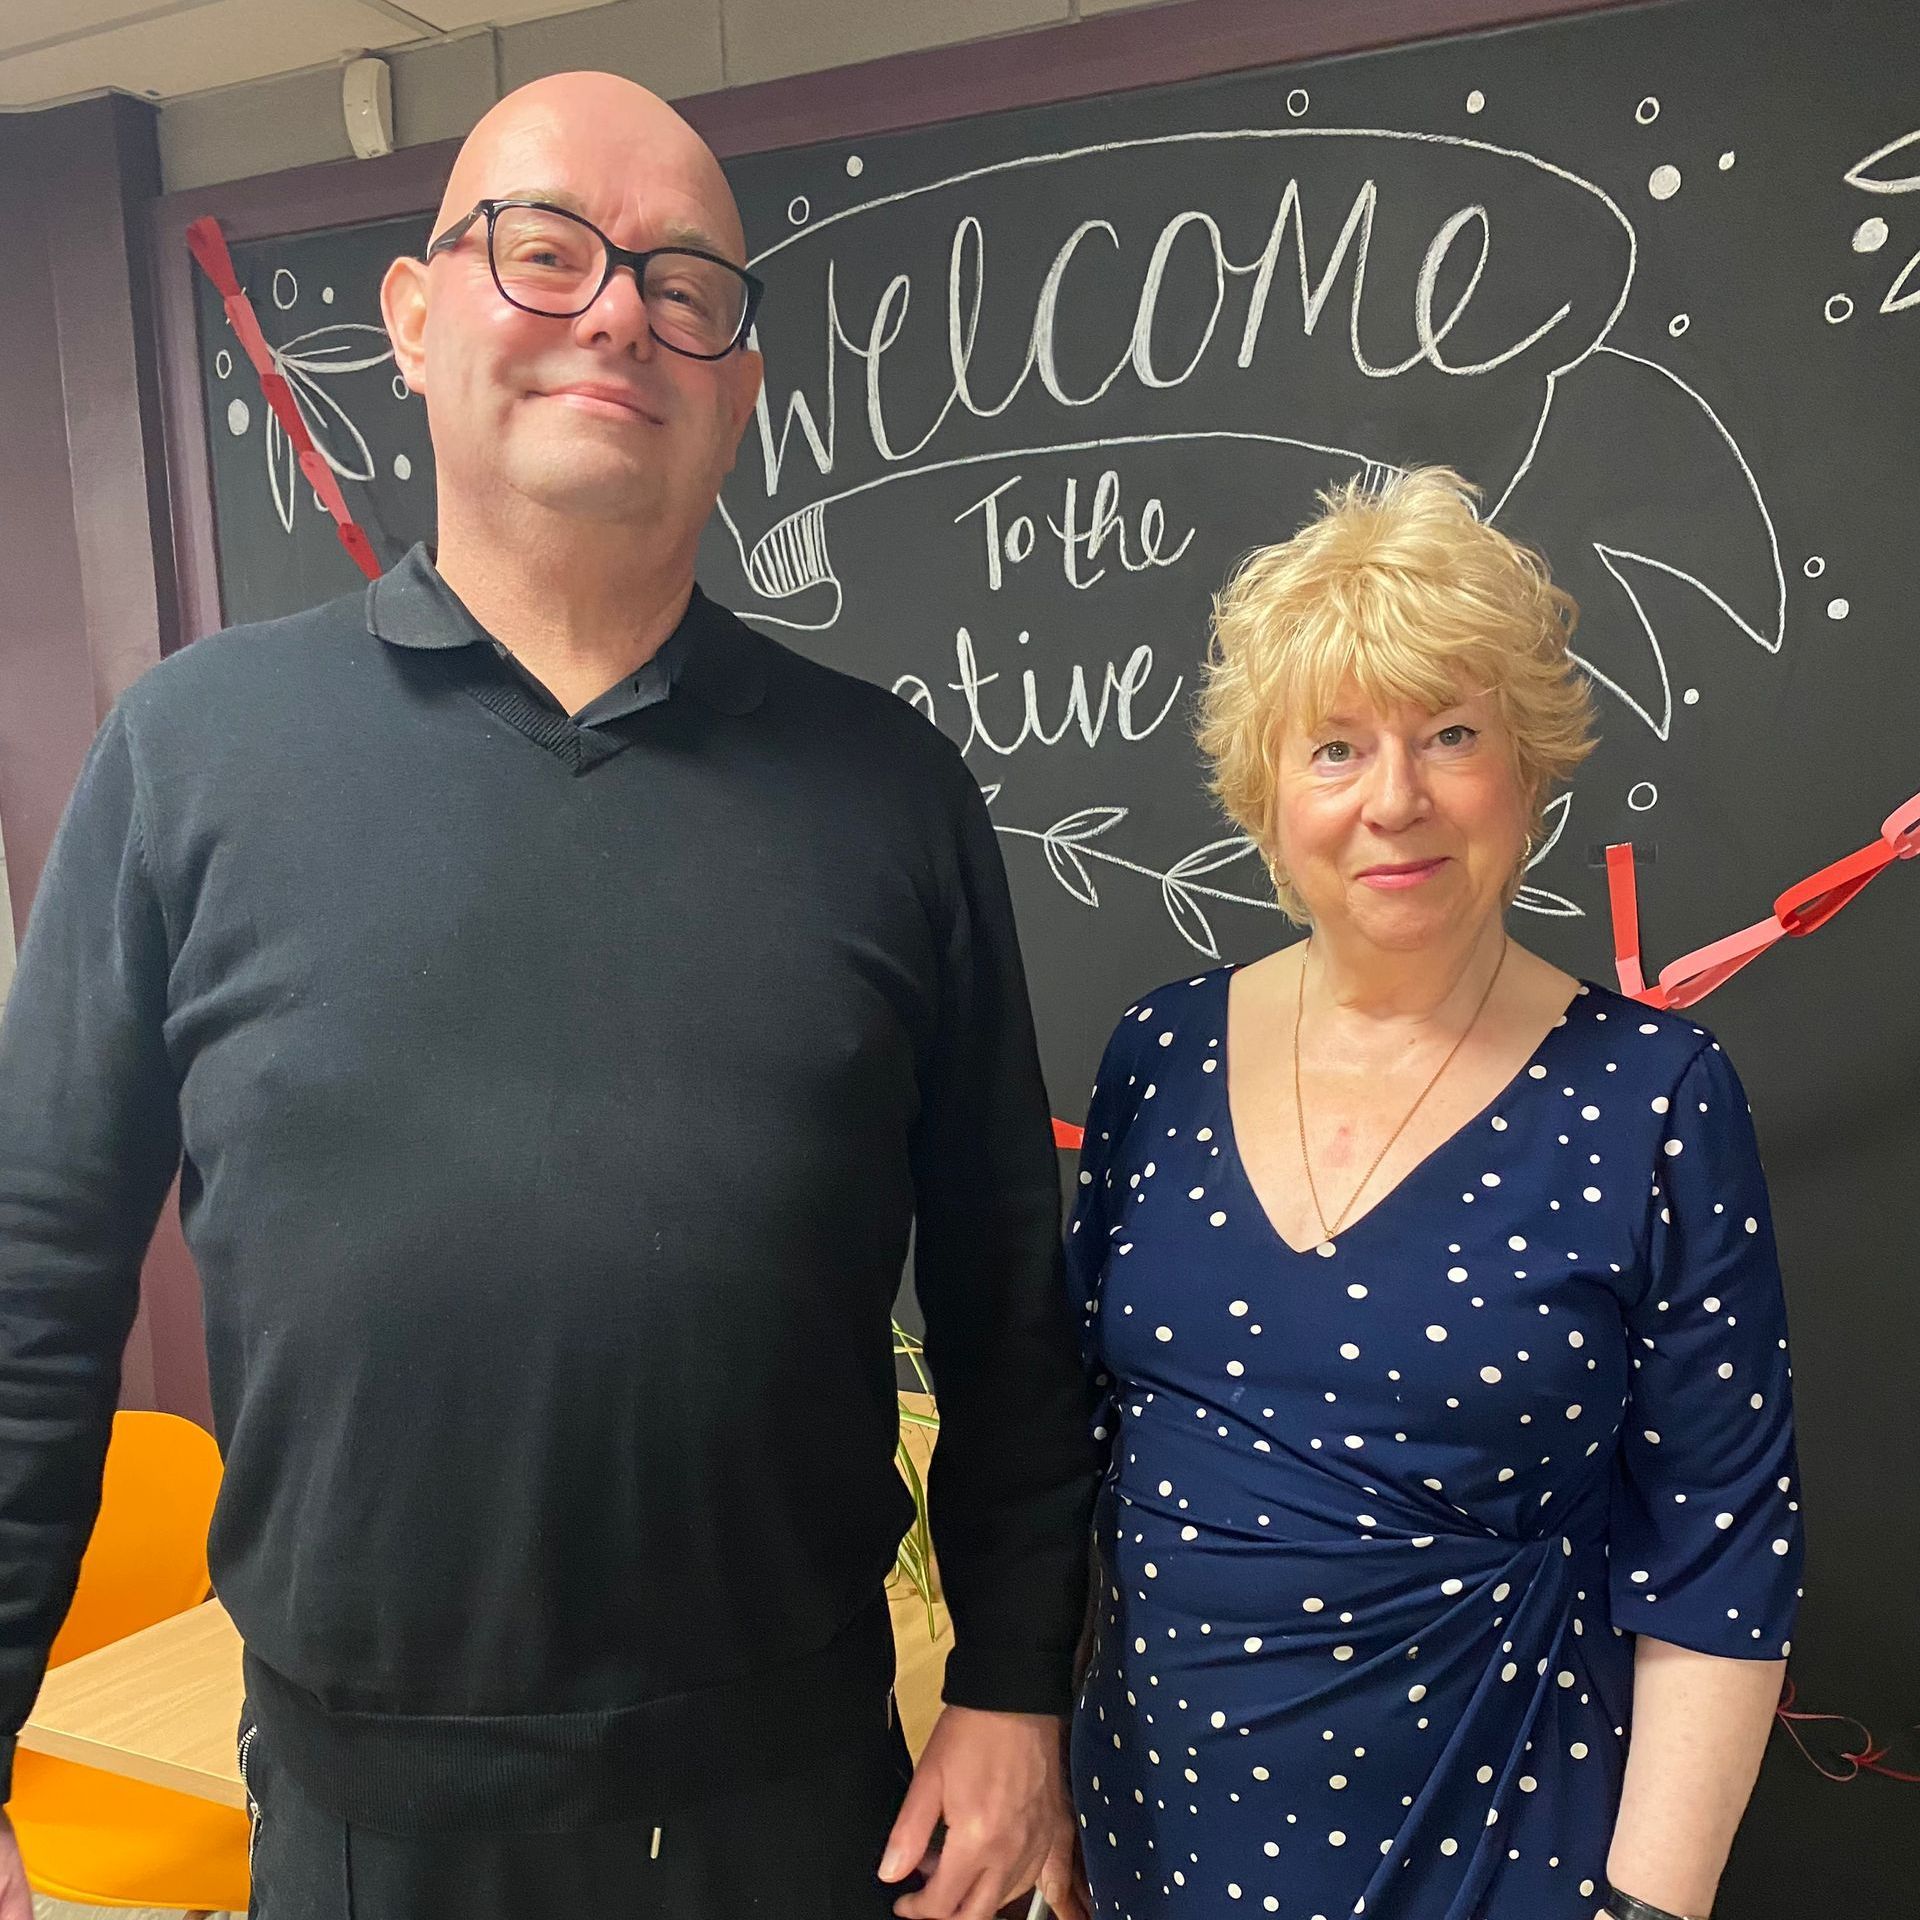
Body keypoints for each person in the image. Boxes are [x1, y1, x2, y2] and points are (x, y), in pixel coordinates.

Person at [0, 73, 1097, 1920]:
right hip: (372, 1826)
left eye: (686, 282)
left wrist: (1012, 1681)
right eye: (543, 248)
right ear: (416, 322)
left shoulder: (886, 790)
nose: (617, 310)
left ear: (736, 387)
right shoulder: (190, 758)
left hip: (801, 1806)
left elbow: (1004, 1284)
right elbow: (36, 1275)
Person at [1065, 467, 1803, 1920]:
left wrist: (1645, 1912)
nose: (1393, 800)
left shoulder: (1652, 1095)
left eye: (1450, 735)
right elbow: (1077, 1446)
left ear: (1525, 768)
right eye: (1334, 748)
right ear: (1266, 794)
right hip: (1154, 1847)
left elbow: (1725, 1553)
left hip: (1506, 1852)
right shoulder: (1157, 1054)